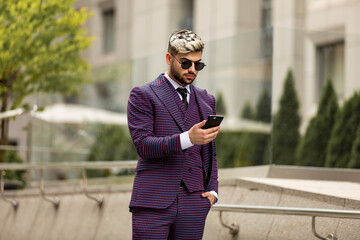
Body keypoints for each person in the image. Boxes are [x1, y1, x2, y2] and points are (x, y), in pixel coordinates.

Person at [127, 29, 221, 240]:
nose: (192, 70)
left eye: (198, 64)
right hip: (153, 202)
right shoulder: (143, 95)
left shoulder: (207, 100)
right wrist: (188, 138)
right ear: (169, 58)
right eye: (185, 63)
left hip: (194, 203)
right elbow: (144, 145)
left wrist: (212, 192)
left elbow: (210, 154)